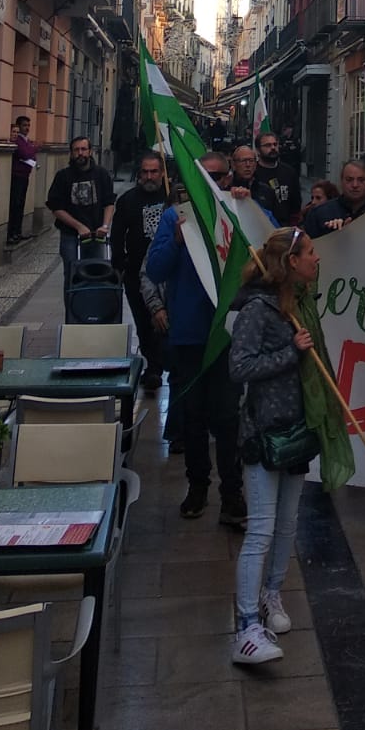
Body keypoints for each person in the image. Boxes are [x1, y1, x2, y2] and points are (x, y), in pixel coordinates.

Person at [229, 225, 352, 664]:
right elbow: (239, 366)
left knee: (287, 524)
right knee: (261, 529)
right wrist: (291, 353)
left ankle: (271, 593)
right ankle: (246, 626)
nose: (317, 259)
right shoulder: (257, 310)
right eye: (310, 253)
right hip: (265, 430)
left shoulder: (298, 304)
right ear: (291, 262)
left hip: (298, 427)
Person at [146, 151, 246, 528]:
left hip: (228, 332)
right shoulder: (176, 216)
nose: (211, 183)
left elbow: (271, 247)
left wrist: (249, 207)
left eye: (218, 177)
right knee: (193, 416)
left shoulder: (237, 211)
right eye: (204, 176)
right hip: (189, 333)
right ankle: (198, 486)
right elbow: (155, 269)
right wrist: (175, 240)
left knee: (228, 416)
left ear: (228, 179)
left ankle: (232, 492)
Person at [109, 152, 171, 393]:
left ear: (162, 173)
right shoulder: (128, 200)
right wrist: (120, 263)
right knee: (143, 321)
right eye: (145, 172)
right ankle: (153, 366)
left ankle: (164, 362)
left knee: (164, 321)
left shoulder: (171, 197)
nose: (149, 176)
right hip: (136, 272)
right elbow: (117, 234)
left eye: (154, 171)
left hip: (166, 271)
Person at [45, 136, 115, 302]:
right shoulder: (63, 176)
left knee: (97, 272)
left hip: (96, 234)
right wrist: (78, 226)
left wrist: (105, 225)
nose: (80, 153)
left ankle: (94, 308)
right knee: (72, 274)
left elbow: (109, 203)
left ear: (90, 152)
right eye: (76, 150)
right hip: (71, 235)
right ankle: (73, 311)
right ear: (71, 153)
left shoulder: (101, 174)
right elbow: (56, 207)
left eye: (83, 149)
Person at [305, 161, 365, 236]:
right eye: (349, 180)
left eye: (361, 180)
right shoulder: (319, 214)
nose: (355, 185)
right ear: (341, 182)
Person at [251, 130, 302, 226]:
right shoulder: (253, 173)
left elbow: (296, 204)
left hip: (284, 226)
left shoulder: (289, 172)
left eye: (275, 144)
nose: (273, 148)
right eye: (268, 145)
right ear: (257, 150)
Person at [6, 116, 37, 245]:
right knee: (15, 204)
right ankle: (12, 233)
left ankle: (18, 232)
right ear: (19, 126)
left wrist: (31, 150)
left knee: (20, 204)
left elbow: (31, 156)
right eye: (25, 125)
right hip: (17, 176)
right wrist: (34, 148)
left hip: (24, 175)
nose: (27, 128)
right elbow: (25, 154)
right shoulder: (18, 140)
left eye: (28, 125)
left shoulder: (27, 141)